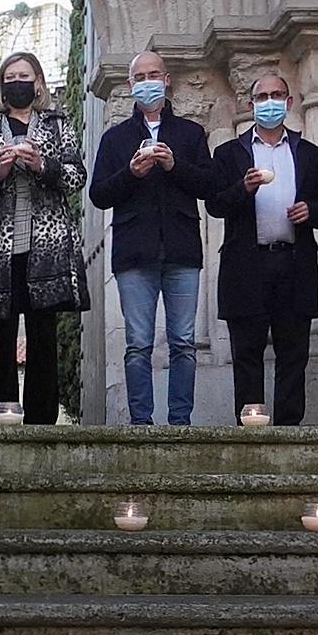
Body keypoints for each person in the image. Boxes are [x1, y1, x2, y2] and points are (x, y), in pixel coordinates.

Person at [0, 51, 89, 424]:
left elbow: (76, 177)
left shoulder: (57, 125)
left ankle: (41, 423)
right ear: (2, 85)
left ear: (38, 83)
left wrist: (40, 164)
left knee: (43, 334)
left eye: (24, 76)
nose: (18, 83)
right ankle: (1, 418)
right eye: (10, 77)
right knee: (0, 336)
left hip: (46, 248)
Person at [88, 48, 211, 425]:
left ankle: (180, 423)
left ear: (167, 80)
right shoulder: (115, 138)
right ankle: (141, 423)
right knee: (138, 344)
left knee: (183, 343)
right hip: (134, 253)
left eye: (153, 75)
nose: (147, 83)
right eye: (140, 78)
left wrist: (174, 166)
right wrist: (131, 173)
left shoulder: (190, 133)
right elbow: (99, 194)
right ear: (130, 85)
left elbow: (209, 185)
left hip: (182, 250)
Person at [207, 69, 318, 425]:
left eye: (276, 95)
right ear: (251, 105)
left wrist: (311, 211)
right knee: (247, 354)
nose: (269, 103)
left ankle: (289, 430)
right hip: (246, 266)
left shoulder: (307, 152)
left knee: (293, 354)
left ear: (289, 102)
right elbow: (215, 204)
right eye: (262, 97)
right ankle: (252, 428)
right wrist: (244, 189)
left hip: (294, 264)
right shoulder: (229, 153)